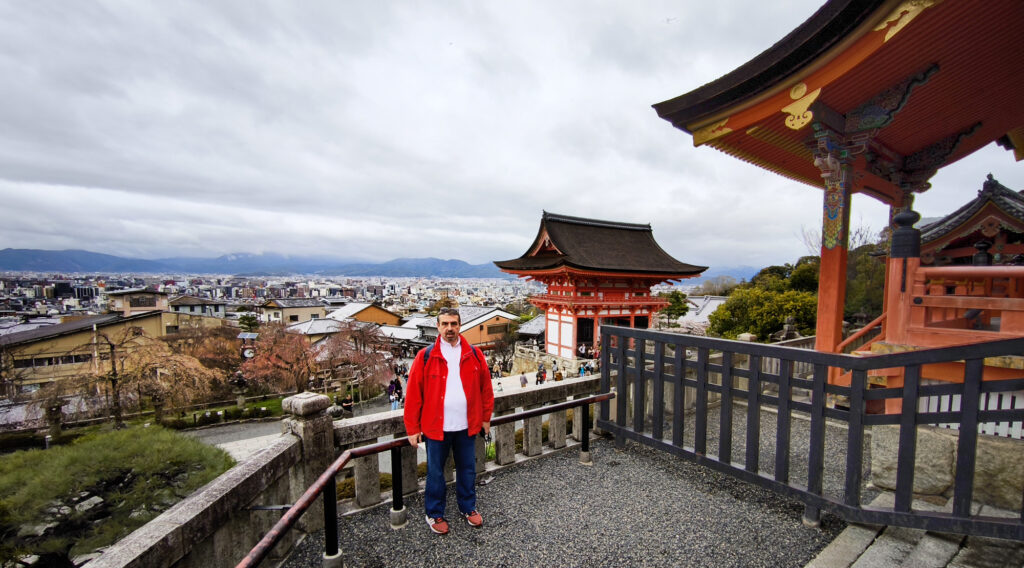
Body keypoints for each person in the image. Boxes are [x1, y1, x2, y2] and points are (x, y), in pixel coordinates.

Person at [404, 307, 494, 535]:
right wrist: (412, 428)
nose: (449, 328)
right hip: (435, 427)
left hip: (467, 424)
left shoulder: (473, 353)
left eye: (453, 323)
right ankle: (434, 512)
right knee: (435, 473)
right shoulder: (426, 356)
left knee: (467, 469)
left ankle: (468, 506)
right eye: (445, 324)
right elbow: (413, 394)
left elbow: (486, 389)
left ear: (460, 325)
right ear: (438, 326)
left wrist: (485, 418)